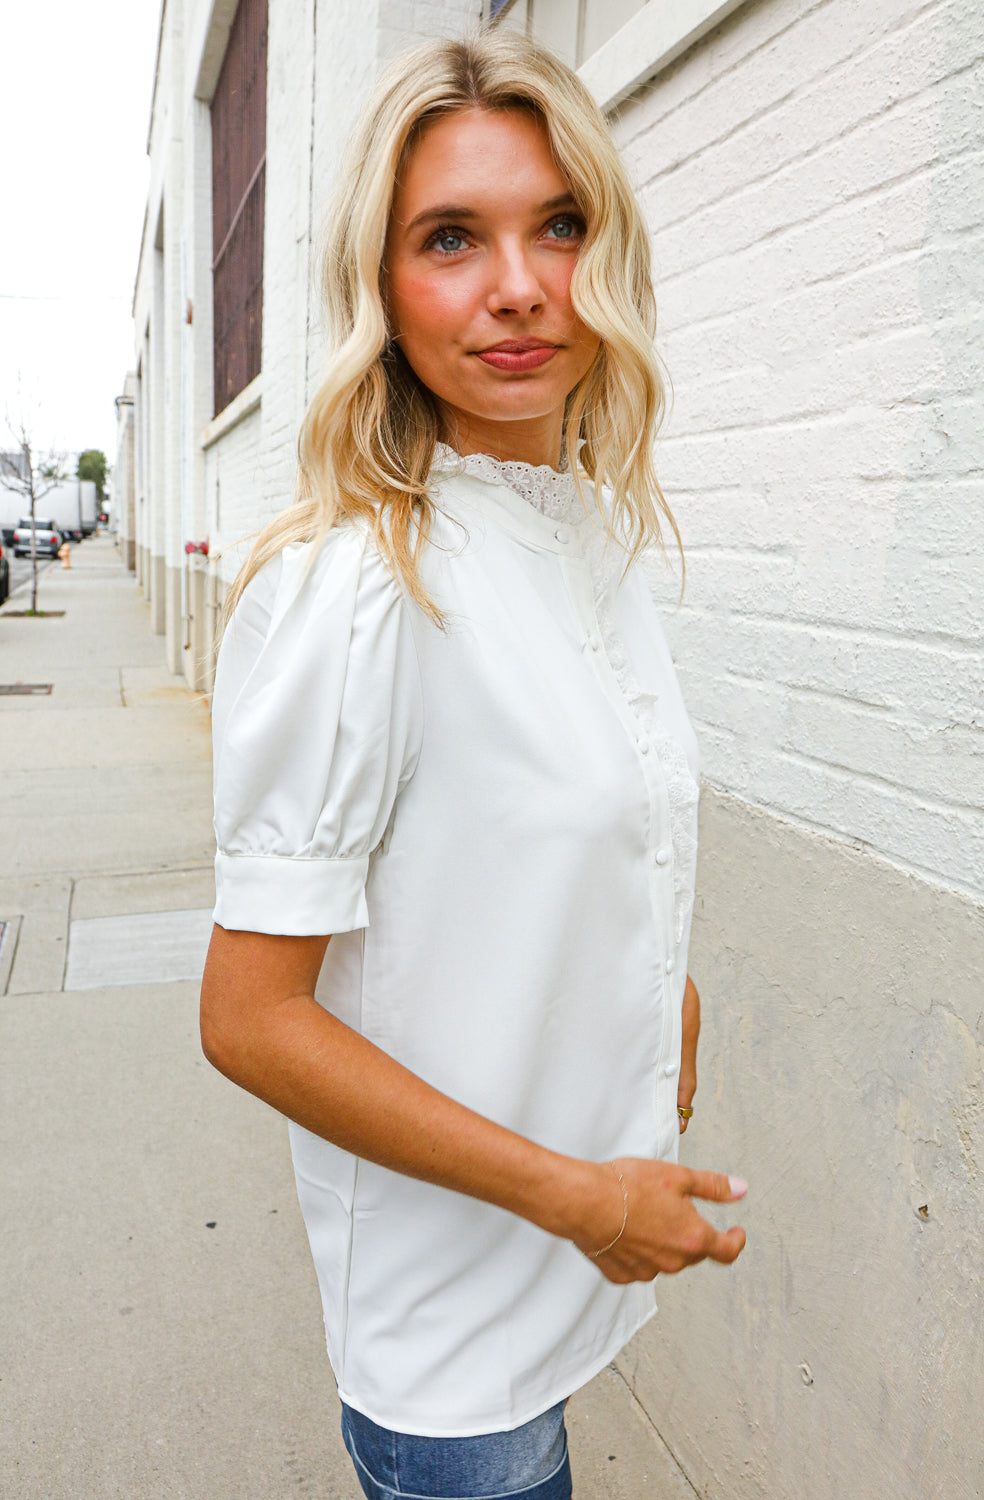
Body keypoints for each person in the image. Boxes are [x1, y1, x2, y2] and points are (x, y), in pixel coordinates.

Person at [200, 28, 747, 1500]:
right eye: (452, 238)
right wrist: (583, 1195)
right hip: (452, 1350)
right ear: (380, 289)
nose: (517, 284)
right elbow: (251, 1019)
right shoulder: (359, 587)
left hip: (556, 1283)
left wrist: (663, 997)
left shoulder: (582, 532)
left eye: (559, 225)